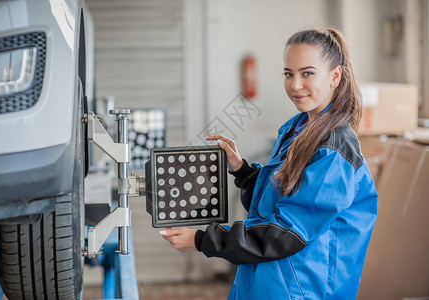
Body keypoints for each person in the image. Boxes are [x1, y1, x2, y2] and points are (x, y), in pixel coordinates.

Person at [160, 27, 378, 299]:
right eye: (289, 74)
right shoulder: (298, 129)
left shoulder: (334, 151)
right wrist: (241, 169)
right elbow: (273, 202)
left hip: (303, 289)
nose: (295, 85)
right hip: (270, 281)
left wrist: (203, 240)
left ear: (335, 76)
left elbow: (286, 232)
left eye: (307, 73)